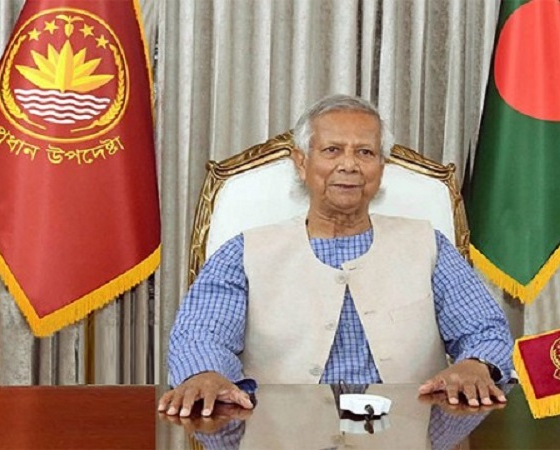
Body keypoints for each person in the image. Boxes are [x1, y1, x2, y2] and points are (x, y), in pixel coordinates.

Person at [158, 94, 515, 418]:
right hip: (279, 432)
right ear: (301, 163)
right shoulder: (245, 251)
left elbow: (483, 329)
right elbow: (202, 334)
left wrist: (476, 364)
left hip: (408, 430)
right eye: (332, 150)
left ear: (382, 167)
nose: (349, 165)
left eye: (365, 152)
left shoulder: (428, 245)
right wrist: (205, 373)